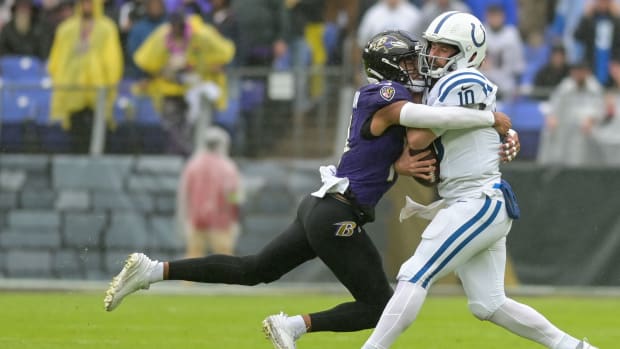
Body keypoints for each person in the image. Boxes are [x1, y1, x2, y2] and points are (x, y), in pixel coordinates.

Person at [103, 30, 515, 349]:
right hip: (337, 213)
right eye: (406, 61)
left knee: (254, 270)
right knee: (380, 305)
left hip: (323, 207)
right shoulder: (385, 95)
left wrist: (402, 164)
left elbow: (403, 146)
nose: (415, 67)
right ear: (388, 68)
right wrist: (487, 116)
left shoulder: (386, 101)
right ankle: (292, 326)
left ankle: (152, 270)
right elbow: (420, 114)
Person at [360, 12, 599, 349]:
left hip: (476, 200)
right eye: (433, 46)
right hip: (473, 201)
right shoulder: (442, 84)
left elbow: (418, 138)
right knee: (489, 304)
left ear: (468, 52)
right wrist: (501, 128)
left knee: (415, 272)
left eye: (445, 49)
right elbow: (479, 125)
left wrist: (497, 125)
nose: (434, 55)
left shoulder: (462, 81)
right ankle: (576, 347)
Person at [132, 12, 235, 155]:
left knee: (195, 125)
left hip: (196, 89)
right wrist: (162, 71)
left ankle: (196, 156)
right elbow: (145, 61)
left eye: (179, 27)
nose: (176, 30)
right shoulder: (162, 37)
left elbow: (225, 54)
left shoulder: (203, 36)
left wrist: (203, 66)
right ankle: (183, 156)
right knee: (172, 126)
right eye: (173, 26)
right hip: (171, 89)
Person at [47, 0, 123, 153]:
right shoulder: (66, 29)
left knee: (100, 140)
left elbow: (113, 60)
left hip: (98, 93)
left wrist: (110, 85)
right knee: (76, 141)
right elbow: (57, 61)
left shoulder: (107, 28)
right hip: (73, 93)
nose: (87, 6)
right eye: (84, 2)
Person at [177, 126, 243, 257]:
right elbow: (234, 196)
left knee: (193, 258)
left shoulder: (193, 165)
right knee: (224, 260)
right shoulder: (228, 167)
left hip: (197, 220)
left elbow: (184, 196)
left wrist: (185, 219)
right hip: (221, 221)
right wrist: (236, 219)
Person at [537, 60, 606, 166]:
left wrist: (591, 119)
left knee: (586, 135)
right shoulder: (565, 87)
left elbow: (600, 109)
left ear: (586, 72)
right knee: (548, 132)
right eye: (575, 71)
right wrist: (552, 117)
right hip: (565, 125)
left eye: (580, 71)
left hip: (586, 128)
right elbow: (554, 105)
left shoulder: (595, 88)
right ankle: (547, 168)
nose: (577, 74)